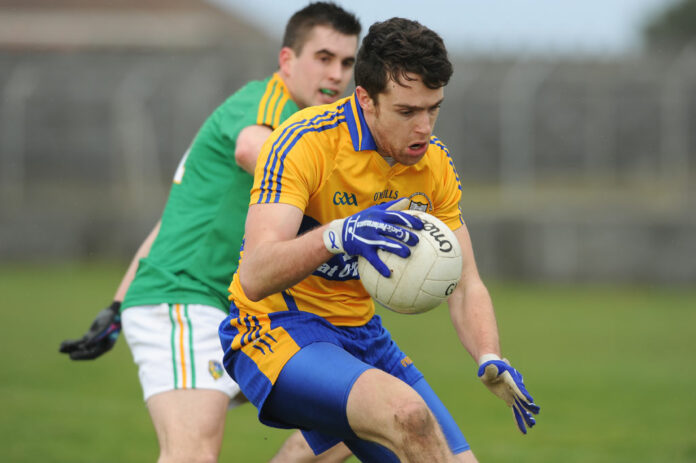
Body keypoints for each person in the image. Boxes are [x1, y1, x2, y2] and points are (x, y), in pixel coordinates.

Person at [218, 17, 540, 463]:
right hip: (274, 331)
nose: (424, 127)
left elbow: (466, 282)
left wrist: (489, 355)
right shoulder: (303, 143)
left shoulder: (435, 167)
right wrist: (338, 235)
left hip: (363, 336)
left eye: (433, 108)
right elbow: (254, 275)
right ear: (365, 100)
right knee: (408, 414)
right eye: (407, 112)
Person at [59, 3, 360, 462]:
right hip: (185, 300)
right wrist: (351, 204)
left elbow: (170, 220)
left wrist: (117, 305)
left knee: (360, 411)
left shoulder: (317, 132)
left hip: (240, 314)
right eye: (323, 57)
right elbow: (251, 148)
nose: (336, 74)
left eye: (346, 62)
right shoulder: (266, 106)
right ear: (287, 62)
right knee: (192, 455)